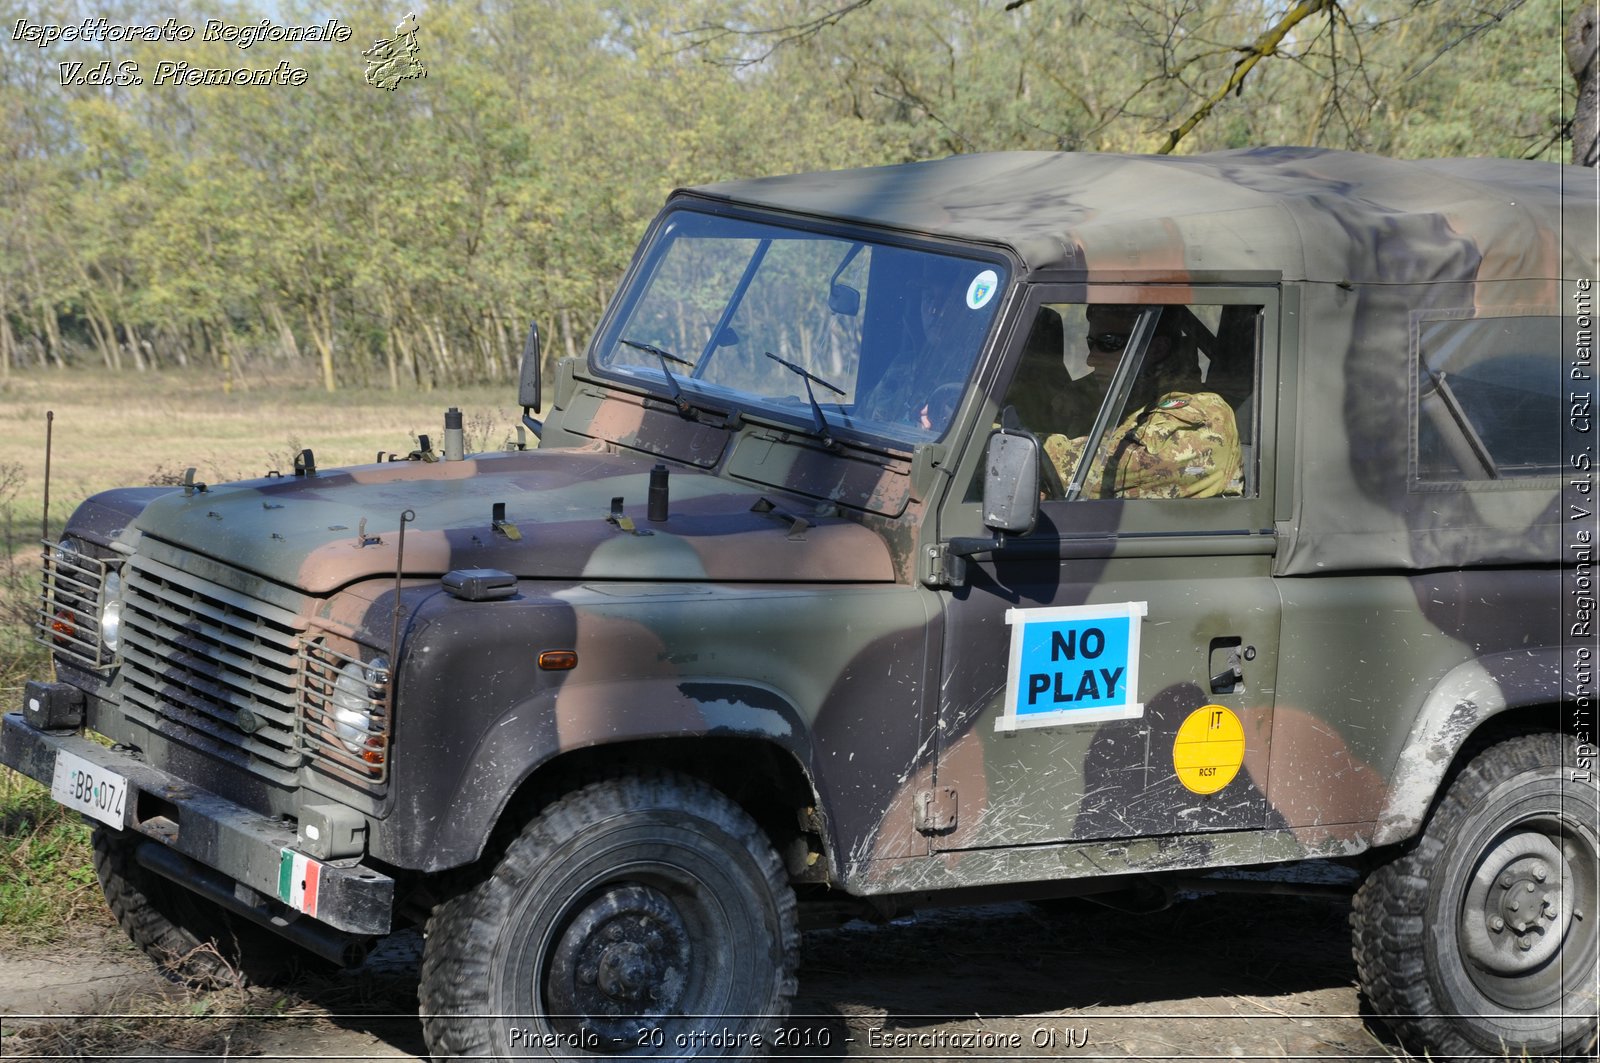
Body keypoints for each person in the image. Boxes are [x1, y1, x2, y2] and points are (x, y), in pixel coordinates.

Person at [1042, 305, 1242, 499]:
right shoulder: (1103, 395)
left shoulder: (1203, 413)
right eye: (1090, 342)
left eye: (1108, 343)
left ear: (1156, 349)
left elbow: (1120, 470)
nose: (1091, 359)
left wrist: (1030, 453)